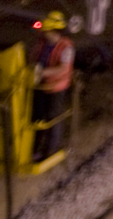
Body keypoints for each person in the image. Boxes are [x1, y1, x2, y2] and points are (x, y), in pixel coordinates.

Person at [28, 10, 75, 162]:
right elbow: (33, 56)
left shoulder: (66, 47)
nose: (45, 33)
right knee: (37, 118)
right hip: (40, 86)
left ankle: (50, 151)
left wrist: (42, 72)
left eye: (47, 31)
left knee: (52, 119)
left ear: (55, 31)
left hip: (55, 88)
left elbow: (63, 68)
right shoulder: (42, 43)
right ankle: (34, 149)